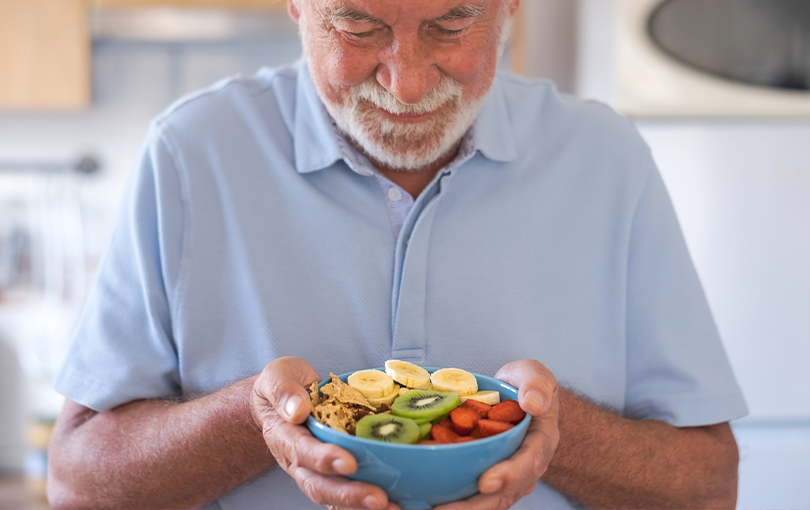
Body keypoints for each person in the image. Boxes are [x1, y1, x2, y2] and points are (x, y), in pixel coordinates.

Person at [46, 0, 748, 507]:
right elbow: (77, 481)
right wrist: (258, 419)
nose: (407, 84)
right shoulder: (189, 153)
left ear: (511, 9)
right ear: (297, 7)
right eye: (358, 26)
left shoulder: (606, 159)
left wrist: (547, 428)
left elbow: (709, 484)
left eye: (451, 24)